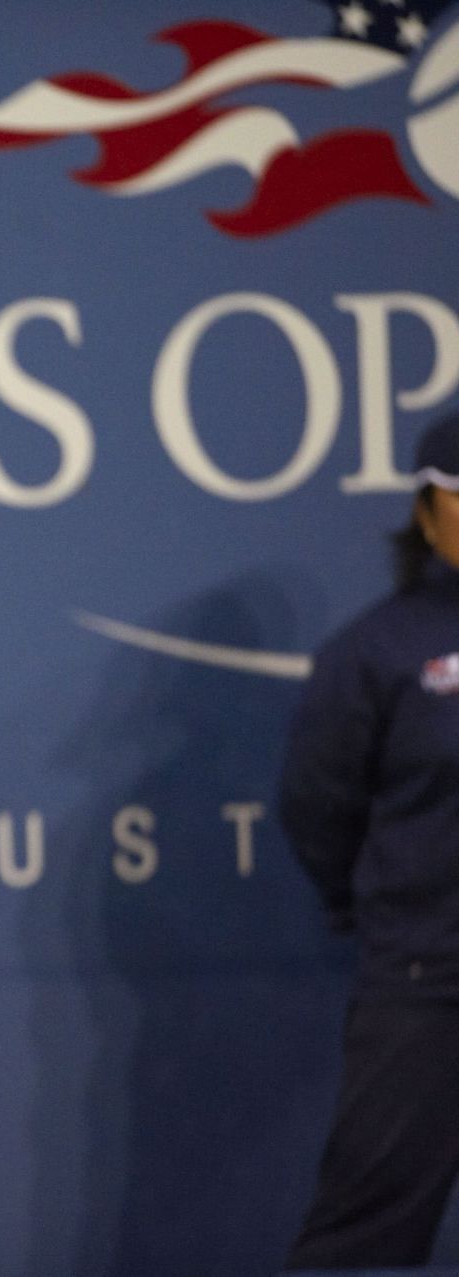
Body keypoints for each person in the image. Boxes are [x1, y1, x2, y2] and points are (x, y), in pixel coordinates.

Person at [280, 410, 459, 1271]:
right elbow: (320, 808)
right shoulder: (375, 653)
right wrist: (391, 906)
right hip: (427, 985)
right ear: (428, 512)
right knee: (362, 1242)